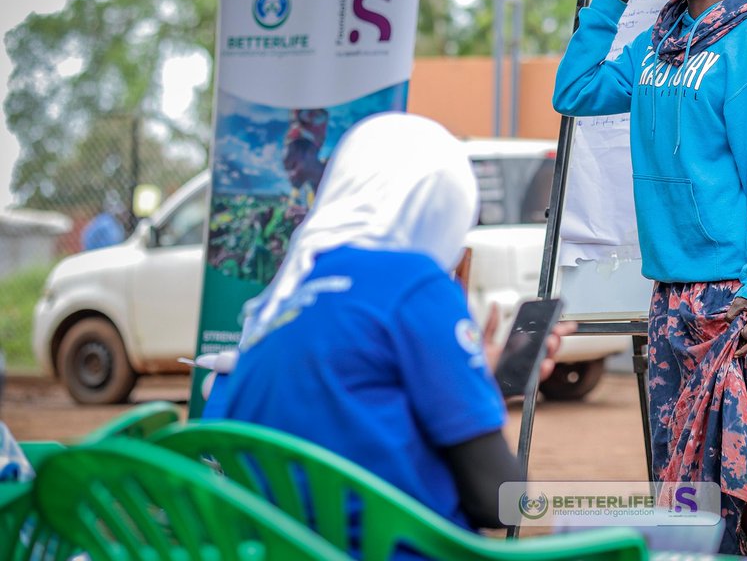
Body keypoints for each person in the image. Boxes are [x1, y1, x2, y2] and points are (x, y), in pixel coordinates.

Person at [553, 0, 747, 559]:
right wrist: (610, 3)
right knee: (682, 474)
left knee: (727, 473)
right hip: (672, 289)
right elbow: (574, 93)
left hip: (734, 294)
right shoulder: (656, 42)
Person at [205, 113, 569, 540]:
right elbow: (498, 501)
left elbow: (355, 400)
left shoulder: (273, 305)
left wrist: (478, 380)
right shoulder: (413, 283)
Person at [282, 107, 329, 222]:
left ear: (310, 153)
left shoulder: (338, 177)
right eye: (287, 170)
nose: (290, 175)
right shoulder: (302, 192)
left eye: (293, 165)